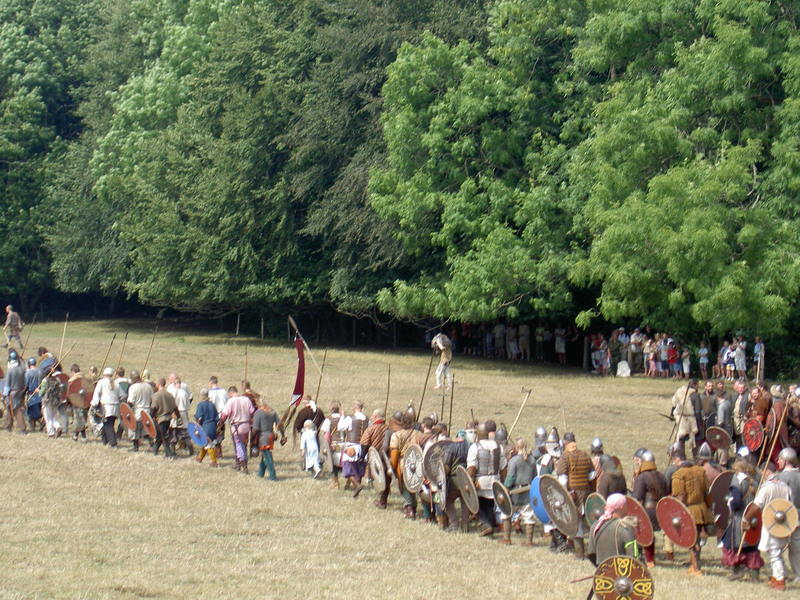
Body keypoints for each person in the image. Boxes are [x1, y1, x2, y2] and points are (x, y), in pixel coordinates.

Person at [721, 456, 763, 582]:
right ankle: (754, 574)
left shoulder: (737, 480)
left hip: (740, 518)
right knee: (752, 546)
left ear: (736, 467)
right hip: (754, 518)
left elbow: (737, 503)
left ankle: (737, 570)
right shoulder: (755, 480)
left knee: (731, 544)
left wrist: (730, 502)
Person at [754, 462, 794, 590]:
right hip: (782, 525)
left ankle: (780, 580)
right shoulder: (785, 487)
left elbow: (757, 505)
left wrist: (747, 518)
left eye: (762, 472)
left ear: (767, 471)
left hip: (771, 523)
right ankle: (777, 577)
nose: (761, 475)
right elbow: (790, 505)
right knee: (777, 551)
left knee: (774, 553)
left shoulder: (767, 488)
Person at [671, 452, 713, 575]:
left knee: (692, 541)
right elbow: (706, 493)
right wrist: (709, 508)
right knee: (696, 539)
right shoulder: (700, 472)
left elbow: (680, 496)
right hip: (702, 509)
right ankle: (694, 565)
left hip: (689, 511)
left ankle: (696, 568)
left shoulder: (679, 475)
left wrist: (678, 512)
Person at [556, 434, 593, 559]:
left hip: (573, 495)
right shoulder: (585, 455)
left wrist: (565, 493)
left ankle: (579, 553)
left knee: (576, 522)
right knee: (583, 521)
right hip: (586, 492)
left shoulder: (565, 457)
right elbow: (592, 475)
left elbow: (563, 479)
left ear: (565, 444)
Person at [467, 421, 507, 536]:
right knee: (489, 504)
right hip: (495, 480)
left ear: (478, 434)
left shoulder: (475, 447)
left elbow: (472, 467)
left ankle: (486, 525)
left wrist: (470, 481)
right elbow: (503, 467)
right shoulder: (498, 446)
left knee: (478, 505)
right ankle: (490, 525)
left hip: (480, 481)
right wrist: (503, 482)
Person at [632, 449, 666, 567]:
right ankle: (650, 559)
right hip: (660, 510)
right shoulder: (661, 476)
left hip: (646, 510)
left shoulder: (642, 477)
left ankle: (648, 559)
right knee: (649, 534)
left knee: (643, 534)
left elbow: (638, 496)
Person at [587, 493, 641, 566]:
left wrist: (600, 568)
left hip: (602, 571)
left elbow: (591, 554)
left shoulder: (595, 526)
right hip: (622, 571)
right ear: (622, 507)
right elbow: (634, 557)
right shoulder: (624, 527)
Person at [501, 438, 536, 546]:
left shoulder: (514, 460)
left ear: (517, 447)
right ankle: (529, 541)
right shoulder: (532, 460)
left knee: (507, 513)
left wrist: (506, 487)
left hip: (514, 492)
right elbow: (535, 476)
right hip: (528, 491)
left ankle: (507, 539)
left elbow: (510, 477)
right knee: (528, 516)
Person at [775, 447, 800, 585]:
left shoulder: (781, 478)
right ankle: (798, 574)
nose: (778, 461)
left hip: (783, 516)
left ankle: (781, 573)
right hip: (798, 517)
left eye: (780, 459)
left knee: (777, 546)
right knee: (797, 548)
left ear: (786, 461)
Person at [390, 411, 422, 519]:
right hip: (417, 462)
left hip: (404, 462)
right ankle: (413, 507)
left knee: (404, 486)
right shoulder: (419, 434)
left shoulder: (397, 435)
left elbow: (395, 452)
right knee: (413, 485)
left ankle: (409, 508)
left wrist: (392, 466)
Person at [219, 386, 254, 472]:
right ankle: (238, 464)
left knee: (238, 445)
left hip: (236, 426)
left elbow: (224, 415)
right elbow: (252, 412)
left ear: (231, 393)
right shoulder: (246, 399)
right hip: (246, 426)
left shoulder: (231, 401)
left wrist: (220, 424)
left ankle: (244, 465)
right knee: (243, 445)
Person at [339, 401, 368, 493]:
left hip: (352, 446)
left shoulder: (350, 418)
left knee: (348, 468)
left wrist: (342, 416)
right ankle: (357, 488)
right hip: (363, 447)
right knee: (359, 468)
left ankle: (357, 485)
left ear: (355, 408)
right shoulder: (367, 419)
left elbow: (340, 427)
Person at [91, 367, 119, 447]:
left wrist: (94, 404)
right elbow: (122, 395)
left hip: (106, 408)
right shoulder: (116, 383)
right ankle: (105, 440)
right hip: (115, 407)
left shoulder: (101, 382)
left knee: (108, 425)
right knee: (108, 424)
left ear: (104, 375)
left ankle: (113, 443)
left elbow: (96, 394)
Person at [252, 397, 279, 480]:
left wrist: (252, 438)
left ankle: (273, 476)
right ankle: (261, 473)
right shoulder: (272, 411)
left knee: (267, 456)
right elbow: (279, 424)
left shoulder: (258, 413)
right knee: (264, 455)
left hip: (263, 437)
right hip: (271, 435)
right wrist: (282, 435)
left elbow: (255, 429)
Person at [672, 379, 700, 459]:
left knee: (681, 439)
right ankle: (696, 458)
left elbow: (674, 403)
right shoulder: (695, 395)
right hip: (691, 420)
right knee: (695, 439)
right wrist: (699, 421)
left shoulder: (679, 392)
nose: (698, 386)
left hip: (680, 419)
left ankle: (681, 457)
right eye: (697, 385)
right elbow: (697, 410)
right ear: (695, 385)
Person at [151, 378, 177, 459]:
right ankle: (154, 450)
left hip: (160, 419)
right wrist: (178, 416)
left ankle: (169, 454)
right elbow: (175, 407)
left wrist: (150, 417)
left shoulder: (156, 395)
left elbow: (153, 408)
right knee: (160, 435)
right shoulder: (170, 395)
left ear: (158, 384)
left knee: (164, 437)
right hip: (168, 419)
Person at [127, 370, 152, 452]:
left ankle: (135, 447)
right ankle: (152, 445)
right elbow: (152, 399)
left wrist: (128, 411)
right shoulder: (148, 386)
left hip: (137, 411)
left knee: (134, 429)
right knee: (146, 430)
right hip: (147, 410)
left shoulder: (133, 387)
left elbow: (130, 402)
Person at [194, 389, 219, 467]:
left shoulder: (201, 405)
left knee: (209, 444)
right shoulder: (212, 405)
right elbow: (217, 418)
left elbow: (199, 417)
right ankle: (200, 458)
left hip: (205, 427)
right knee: (205, 443)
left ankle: (214, 462)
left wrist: (197, 428)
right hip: (213, 426)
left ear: (202, 396)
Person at [4, 351, 27, 433]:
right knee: (9, 409)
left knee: (17, 410)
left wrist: (4, 395)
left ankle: (22, 428)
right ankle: (8, 426)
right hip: (20, 391)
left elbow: (7, 385)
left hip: (12, 393)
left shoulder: (10, 370)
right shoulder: (22, 369)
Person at [66, 364, 87, 441]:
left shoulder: (72, 381)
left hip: (76, 402)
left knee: (78, 419)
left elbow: (69, 393)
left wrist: (68, 402)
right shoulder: (85, 379)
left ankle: (77, 435)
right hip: (84, 402)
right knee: (82, 418)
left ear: (73, 371)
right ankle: (80, 436)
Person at [24, 357, 43, 431]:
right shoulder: (40, 371)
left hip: (32, 395)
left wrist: (23, 393)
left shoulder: (28, 373)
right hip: (40, 394)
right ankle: (36, 425)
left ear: (29, 364)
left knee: (32, 412)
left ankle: (36, 426)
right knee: (38, 410)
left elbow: (26, 385)